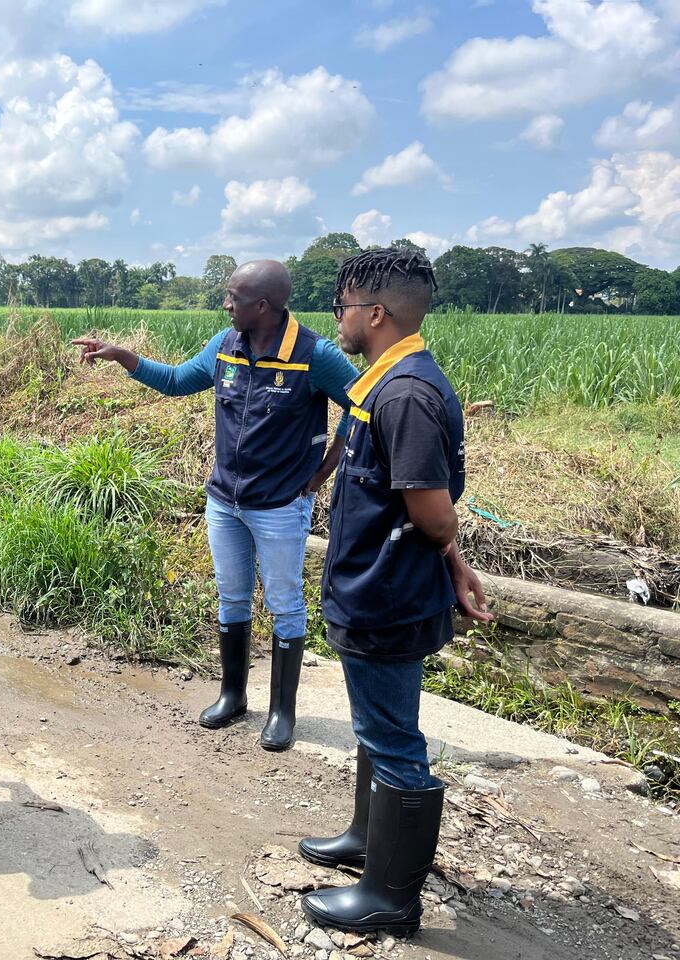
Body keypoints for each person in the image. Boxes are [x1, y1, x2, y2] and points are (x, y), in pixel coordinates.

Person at [75, 261, 357, 750]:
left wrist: (324, 469)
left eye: (233, 297)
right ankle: (233, 696)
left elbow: (362, 404)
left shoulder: (314, 355)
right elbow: (176, 380)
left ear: (262, 306)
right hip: (225, 502)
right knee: (232, 597)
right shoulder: (225, 346)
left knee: (284, 603)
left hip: (280, 505)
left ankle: (282, 712)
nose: (226, 304)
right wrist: (122, 356)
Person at [298, 248, 493, 935]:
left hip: (388, 594)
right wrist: (455, 562)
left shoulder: (405, 394)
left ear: (375, 313)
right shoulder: (382, 382)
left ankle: (392, 898)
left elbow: (433, 513)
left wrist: (451, 555)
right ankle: (366, 836)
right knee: (375, 726)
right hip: (376, 587)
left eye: (342, 308)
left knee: (393, 737)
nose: (337, 321)